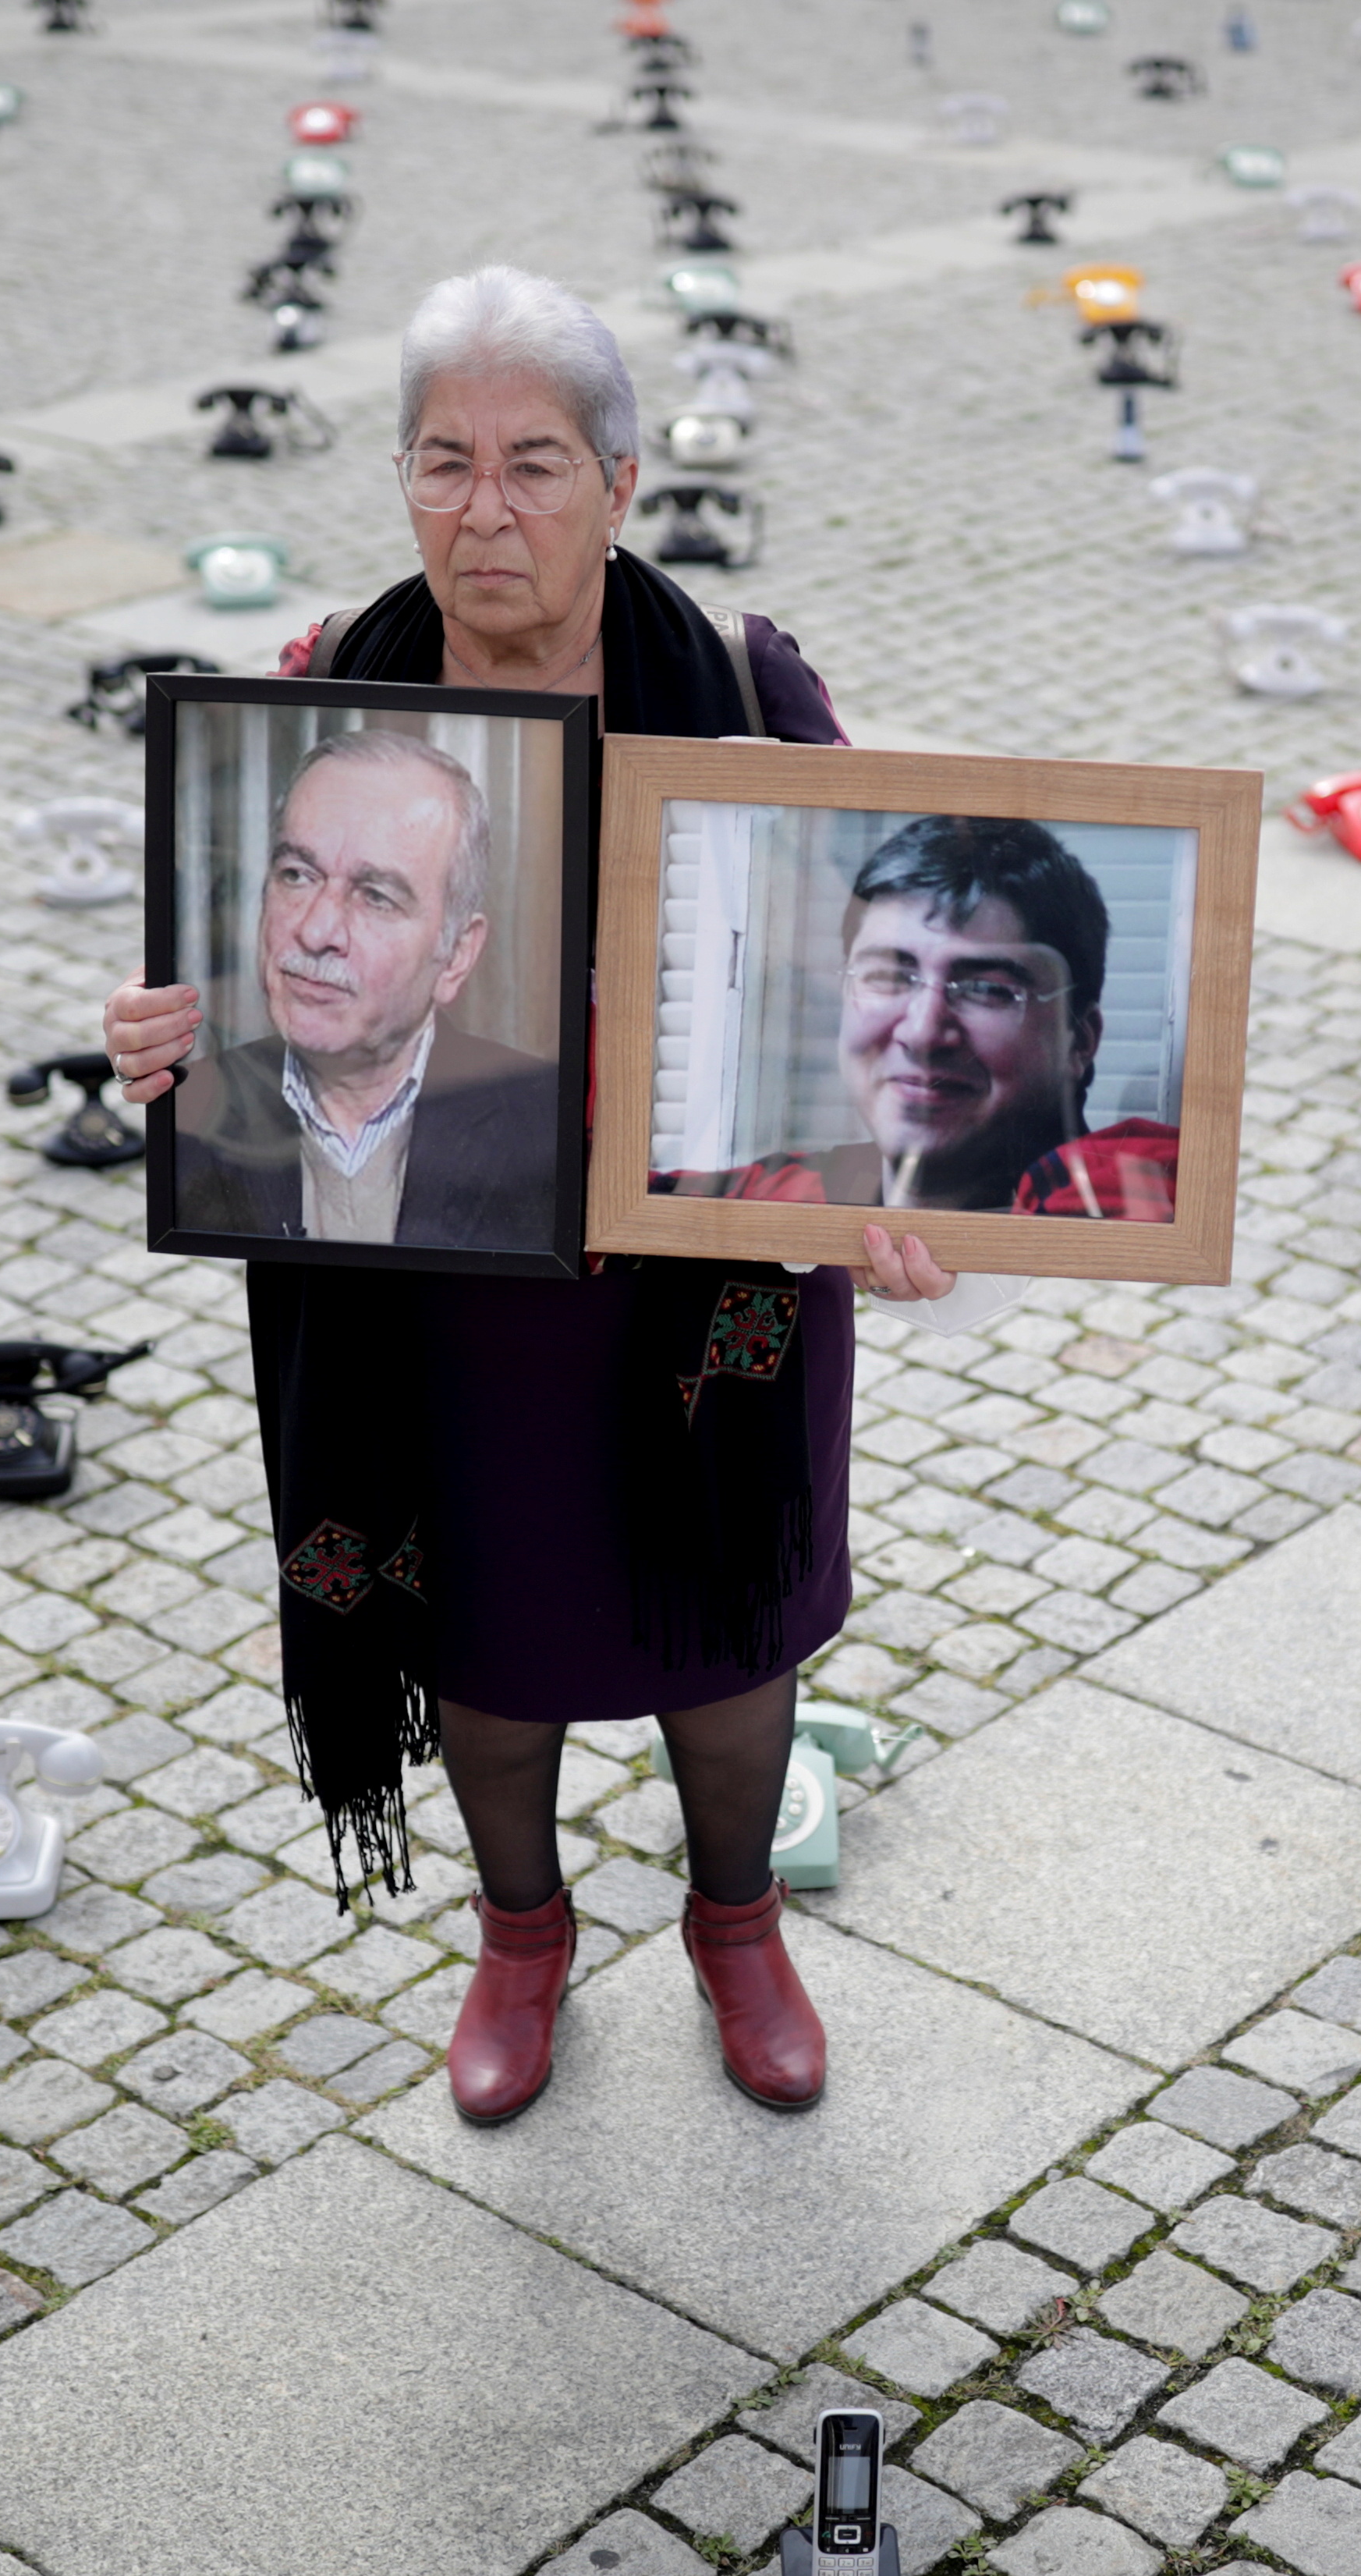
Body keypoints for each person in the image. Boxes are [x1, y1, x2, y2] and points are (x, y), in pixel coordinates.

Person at [101, 265, 1014, 2127]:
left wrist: (903, 1191)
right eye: (444, 462)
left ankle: (735, 1918)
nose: (483, 508)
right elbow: (256, 986)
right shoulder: (313, 698)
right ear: (400, 479)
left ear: (618, 480)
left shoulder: (745, 688)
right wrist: (166, 1041)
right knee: (485, 1633)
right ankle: (521, 1928)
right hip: (436, 1286)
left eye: (531, 463)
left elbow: (867, 974)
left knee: (723, 1636)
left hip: (704, 1277)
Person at [665, 815, 1181, 1222]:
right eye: (890, 975)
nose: (922, 1031)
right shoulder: (787, 1196)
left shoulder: (1132, 1197)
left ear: (1080, 1041)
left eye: (988, 989)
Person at [172, 729, 558, 1253]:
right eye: (297, 875)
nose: (317, 931)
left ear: (457, 954)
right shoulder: (190, 1112)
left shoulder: (544, 1129)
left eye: (376, 896)